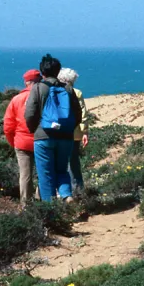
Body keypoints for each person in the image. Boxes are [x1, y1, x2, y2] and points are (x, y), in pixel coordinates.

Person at [23, 54, 82, 201]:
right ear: (58, 71)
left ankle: (50, 207)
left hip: (44, 137)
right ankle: (66, 195)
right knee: (62, 169)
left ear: (42, 72)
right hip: (66, 137)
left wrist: (34, 130)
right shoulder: (68, 89)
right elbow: (77, 113)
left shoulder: (38, 88)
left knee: (45, 173)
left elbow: (30, 113)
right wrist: (68, 128)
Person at [2, 68, 42, 204]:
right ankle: (41, 200)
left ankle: (26, 205)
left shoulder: (16, 99)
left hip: (22, 142)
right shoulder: (45, 96)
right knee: (44, 172)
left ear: (26, 82)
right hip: (42, 140)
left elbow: (8, 126)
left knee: (25, 175)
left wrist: (13, 142)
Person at [57, 67, 87, 195]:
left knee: (59, 162)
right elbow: (83, 115)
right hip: (75, 134)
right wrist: (85, 132)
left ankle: (61, 191)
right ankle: (78, 189)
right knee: (73, 162)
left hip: (58, 133)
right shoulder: (77, 93)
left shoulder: (55, 92)